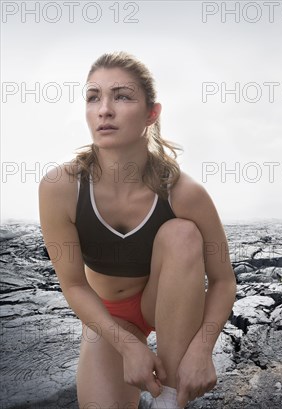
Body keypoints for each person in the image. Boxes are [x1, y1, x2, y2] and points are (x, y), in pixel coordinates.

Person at [38, 51, 237, 409]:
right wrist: (128, 345)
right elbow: (73, 284)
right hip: (109, 316)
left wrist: (202, 349)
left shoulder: (184, 193)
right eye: (93, 97)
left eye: (122, 96)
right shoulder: (61, 187)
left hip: (164, 304)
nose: (105, 110)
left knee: (182, 233)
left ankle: (172, 395)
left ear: (151, 114)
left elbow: (223, 281)